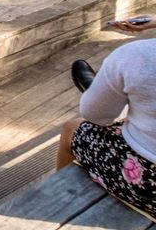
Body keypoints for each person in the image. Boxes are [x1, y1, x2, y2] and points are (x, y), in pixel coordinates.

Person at [56, 32, 156, 217]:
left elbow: (95, 116)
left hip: (149, 186)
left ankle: (57, 202)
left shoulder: (137, 54)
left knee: (72, 128)